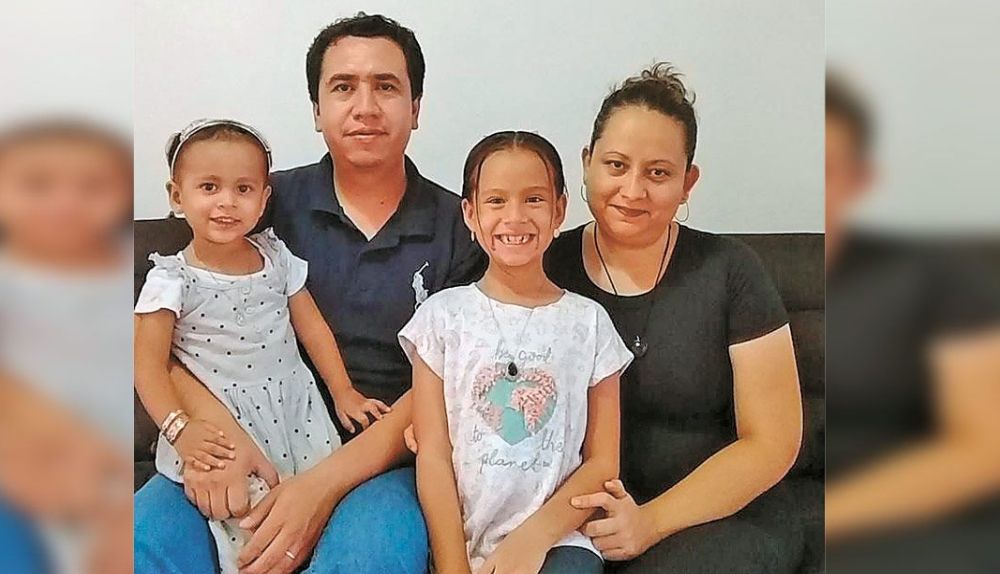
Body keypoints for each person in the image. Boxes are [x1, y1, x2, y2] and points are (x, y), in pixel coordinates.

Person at [133, 13, 485, 574]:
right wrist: (210, 440)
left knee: (370, 559)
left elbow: (449, 385)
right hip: (238, 441)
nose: (365, 107)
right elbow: (165, 342)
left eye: (386, 86)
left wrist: (320, 486)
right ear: (317, 109)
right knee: (136, 546)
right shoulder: (256, 200)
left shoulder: (460, 228)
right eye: (343, 87)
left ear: (416, 108)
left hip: (383, 463)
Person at [545, 63, 804, 573]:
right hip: (580, 524)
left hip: (719, 519)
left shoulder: (732, 271)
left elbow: (773, 441)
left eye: (658, 173)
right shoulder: (543, 268)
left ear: (688, 182)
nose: (632, 189)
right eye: (616, 165)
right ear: (587, 163)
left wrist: (651, 522)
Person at [134, 118, 391, 572]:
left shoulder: (275, 256)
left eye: (243, 189)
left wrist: (343, 391)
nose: (226, 202)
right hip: (222, 423)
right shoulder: (171, 279)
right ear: (176, 196)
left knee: (312, 517)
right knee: (244, 529)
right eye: (209, 187)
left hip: (294, 409)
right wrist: (179, 429)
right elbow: (147, 365)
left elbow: (313, 329)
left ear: (264, 198)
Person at [404, 131, 631, 574]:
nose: (515, 217)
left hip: (560, 541)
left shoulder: (590, 323)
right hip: (461, 541)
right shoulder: (441, 318)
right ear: (470, 213)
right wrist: (454, 566)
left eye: (533, 199)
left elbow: (603, 462)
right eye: (496, 201)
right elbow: (432, 454)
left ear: (559, 210)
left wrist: (532, 540)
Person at [0, 120, 133, 573]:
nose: (65, 203)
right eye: (37, 184)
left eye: (93, 186)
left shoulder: (139, 278)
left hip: (111, 475)